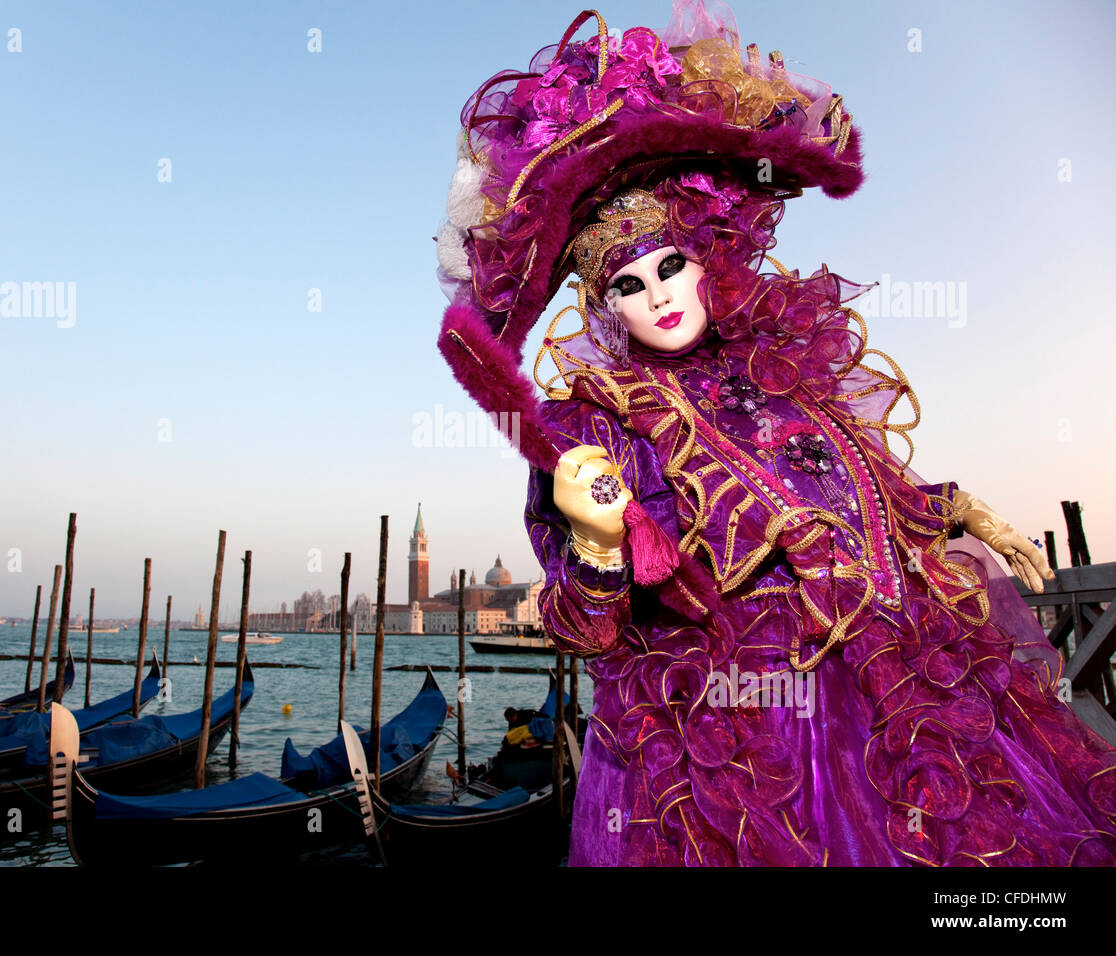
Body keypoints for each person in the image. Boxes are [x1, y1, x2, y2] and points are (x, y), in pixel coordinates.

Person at [434, 0, 1116, 865]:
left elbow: (855, 488)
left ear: (703, 259)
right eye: (630, 286)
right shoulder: (605, 422)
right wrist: (602, 539)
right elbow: (590, 627)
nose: (661, 295)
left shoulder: (776, 366)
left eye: (671, 265)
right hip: (751, 715)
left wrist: (961, 511)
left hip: (898, 664)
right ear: (604, 307)